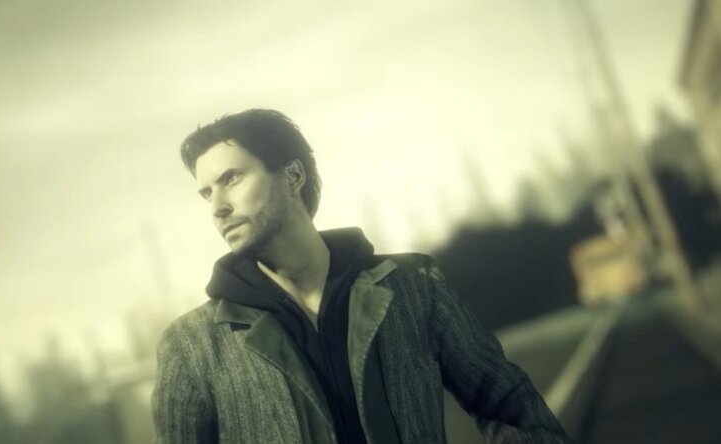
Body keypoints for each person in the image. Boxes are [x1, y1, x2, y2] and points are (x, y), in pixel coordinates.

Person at [152, 108, 571, 443]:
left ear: (292, 177)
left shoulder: (414, 286)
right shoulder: (192, 346)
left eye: (231, 179)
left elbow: (508, 405)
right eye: (206, 193)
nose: (217, 207)